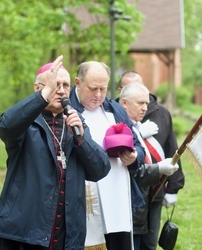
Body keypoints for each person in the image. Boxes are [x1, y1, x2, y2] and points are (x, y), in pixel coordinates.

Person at [0, 55, 111, 250]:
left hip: (67, 232)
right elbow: (6, 125)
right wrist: (43, 96)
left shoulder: (74, 122)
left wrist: (81, 139)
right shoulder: (25, 122)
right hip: (26, 230)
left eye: (65, 85)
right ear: (39, 89)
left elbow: (101, 169)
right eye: (55, 84)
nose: (61, 90)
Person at [69, 61, 145, 250]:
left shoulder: (115, 109)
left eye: (103, 89)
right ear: (77, 82)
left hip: (117, 198)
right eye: (93, 88)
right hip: (85, 198)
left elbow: (138, 146)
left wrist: (134, 156)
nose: (98, 95)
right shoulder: (67, 111)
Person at [118, 71, 185, 249]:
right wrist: (138, 134)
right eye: (139, 102)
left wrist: (174, 187)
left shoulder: (161, 113)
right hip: (131, 193)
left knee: (150, 243)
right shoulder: (114, 114)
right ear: (122, 93)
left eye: (145, 101)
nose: (144, 107)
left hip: (155, 190)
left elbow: (172, 148)